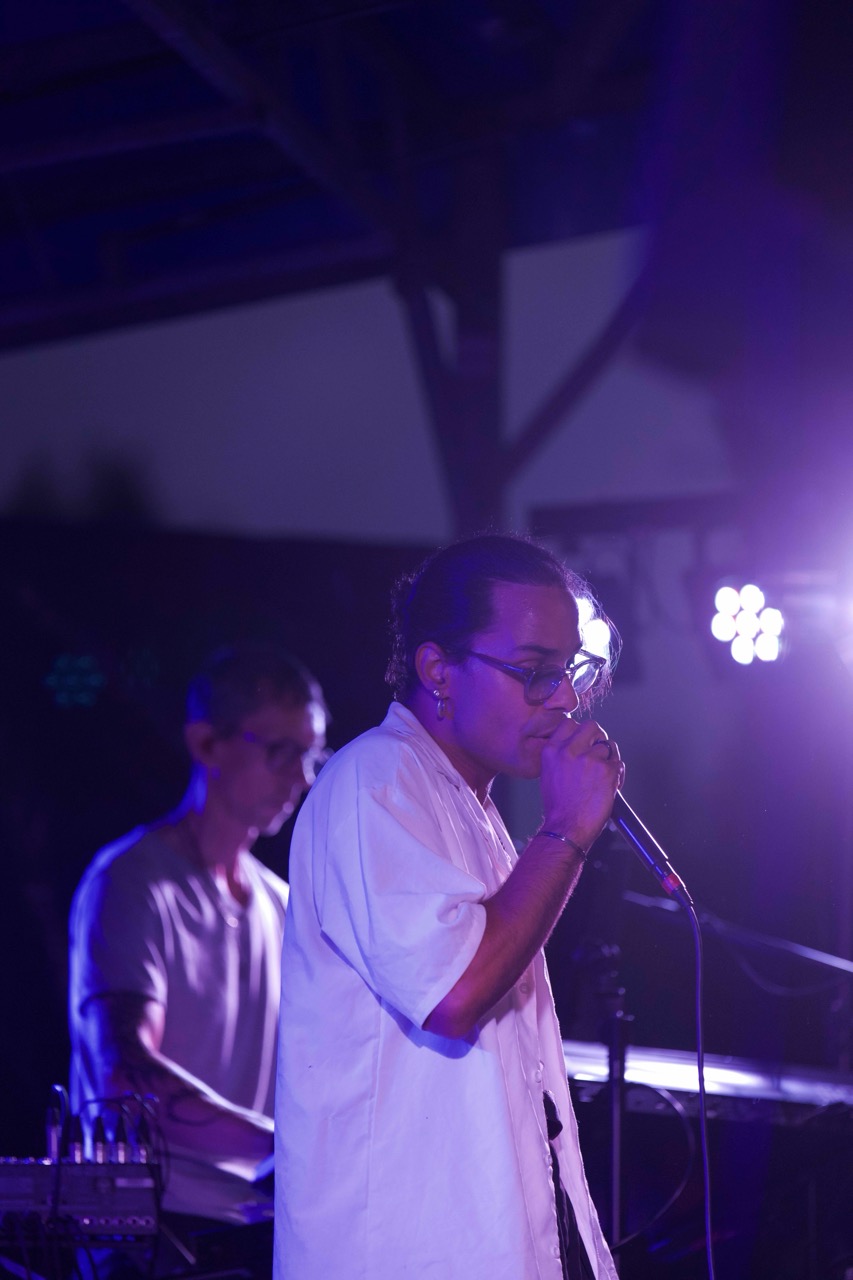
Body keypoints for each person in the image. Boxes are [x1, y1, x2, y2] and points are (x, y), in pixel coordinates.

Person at [275, 534, 622, 1280]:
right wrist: (565, 829)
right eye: (534, 672)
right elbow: (455, 990)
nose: (563, 699)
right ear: (438, 670)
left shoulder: (472, 810)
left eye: (569, 671)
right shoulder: (373, 780)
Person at [69, 643, 328, 1272]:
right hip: (147, 1234)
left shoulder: (285, 905)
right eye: (282, 752)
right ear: (207, 744)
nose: (302, 779)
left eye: (312, 756)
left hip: (257, 1227)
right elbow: (126, 1078)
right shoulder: (132, 881)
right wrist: (291, 1144)